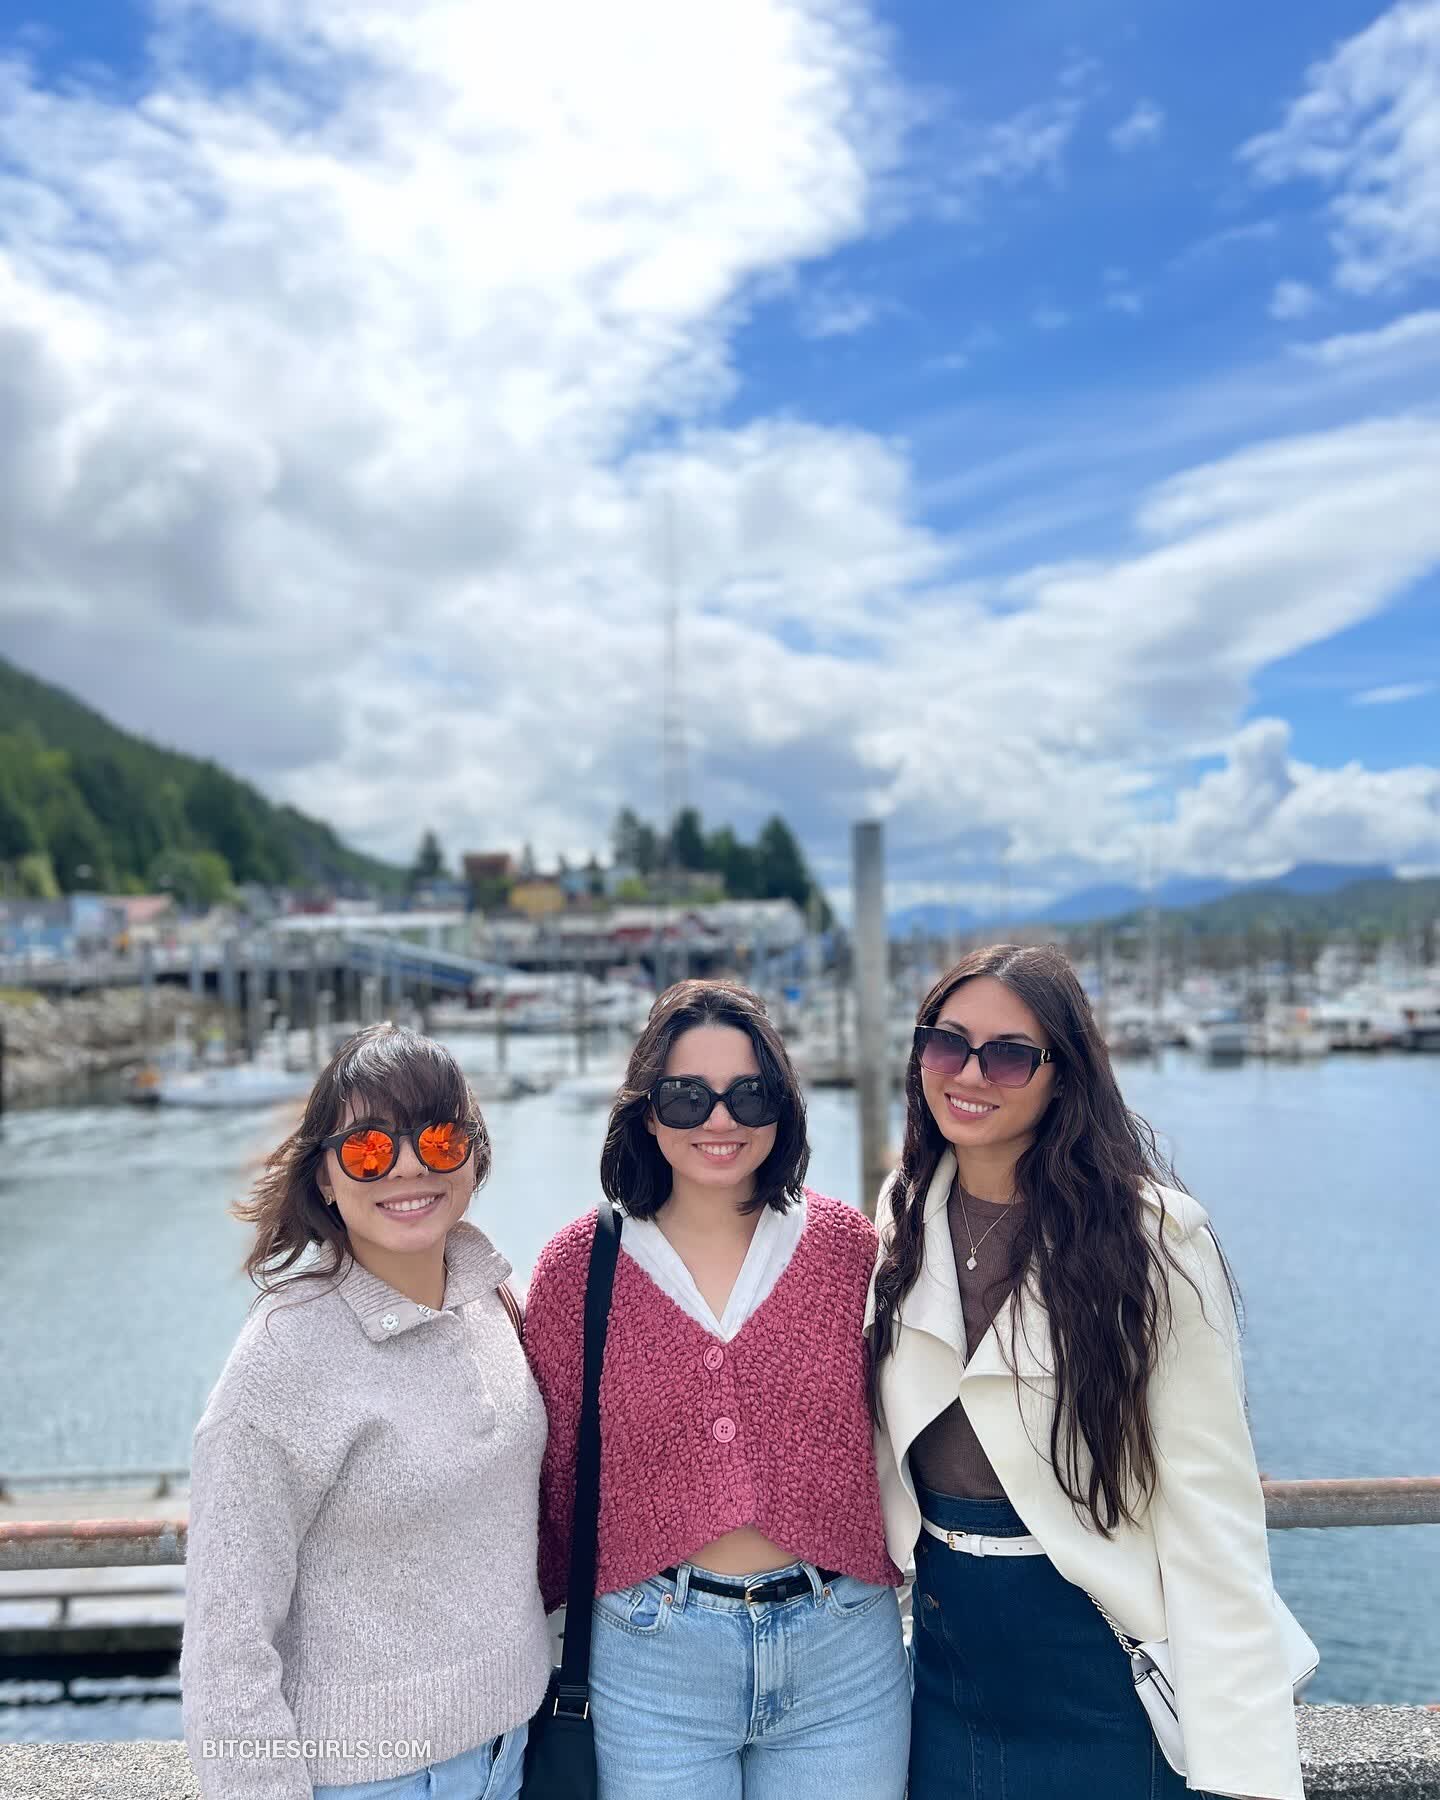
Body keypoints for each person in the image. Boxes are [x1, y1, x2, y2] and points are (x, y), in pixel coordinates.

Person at [869, 944, 1305, 1800]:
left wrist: (1247, 1762)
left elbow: (1211, 1506)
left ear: (1063, 1075)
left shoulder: (1152, 1241)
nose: (970, 1073)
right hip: (948, 1662)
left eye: (1009, 1055)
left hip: (1100, 1659)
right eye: (946, 1043)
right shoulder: (904, 1216)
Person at [524, 979, 910, 1800]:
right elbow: (551, 1476)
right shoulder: (577, 1268)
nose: (721, 1119)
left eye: (749, 1094)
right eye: (687, 1097)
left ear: (783, 1106)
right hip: (651, 1662)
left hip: (843, 1655)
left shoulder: (845, 1248)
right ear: (646, 1112)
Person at [181, 1023, 548, 1800]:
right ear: (324, 1177)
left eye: (440, 1139)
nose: (409, 1166)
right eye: (368, 1149)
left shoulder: (489, 1297)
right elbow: (226, 1637)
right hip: (370, 1778)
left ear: (475, 1156)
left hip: (512, 1750)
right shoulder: (287, 1352)